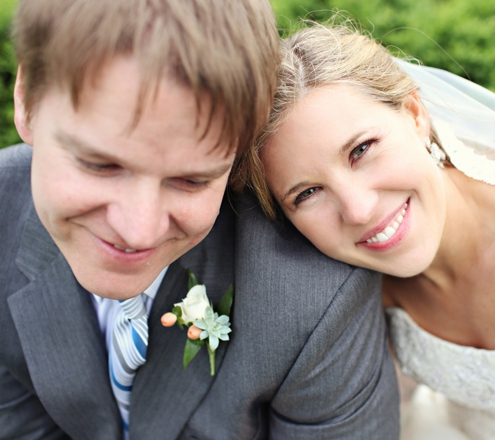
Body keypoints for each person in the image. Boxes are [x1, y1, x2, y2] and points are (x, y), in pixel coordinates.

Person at [233, 23, 495, 439]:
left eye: (361, 150)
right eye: (308, 193)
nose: (359, 210)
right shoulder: (343, 279)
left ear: (415, 115)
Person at [0, 3, 399, 439]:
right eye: (100, 165)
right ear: (27, 100)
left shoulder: (317, 297)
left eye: (191, 181)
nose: (139, 230)